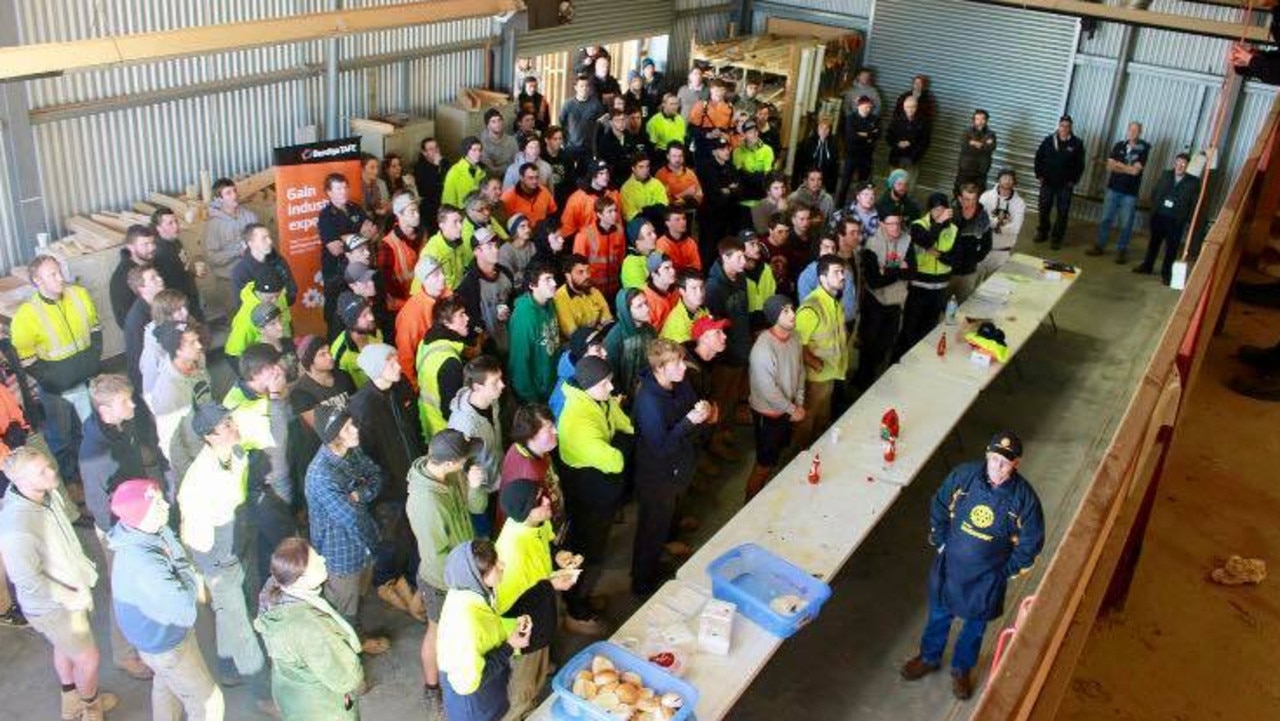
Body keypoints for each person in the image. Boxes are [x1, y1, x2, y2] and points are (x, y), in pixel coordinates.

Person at [900, 432, 1045, 700]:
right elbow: (940, 504)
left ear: (1016, 464)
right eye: (994, 460)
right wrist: (941, 540)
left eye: (1005, 463)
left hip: (986, 579)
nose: (998, 468)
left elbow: (1031, 543)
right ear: (987, 457)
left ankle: (961, 669)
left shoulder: (1024, 499)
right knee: (939, 615)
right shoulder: (964, 477)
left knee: (975, 627)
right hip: (951, 567)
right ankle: (930, 657)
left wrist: (1005, 571)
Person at [0, 446, 117, 721]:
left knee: (64, 647)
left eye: (48, 465)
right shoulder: (17, 526)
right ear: (21, 481)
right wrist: (71, 596)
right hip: (54, 607)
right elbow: (27, 581)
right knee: (88, 658)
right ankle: (90, 706)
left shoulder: (44, 494)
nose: (52, 472)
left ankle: (71, 700)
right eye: (41, 471)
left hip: (68, 594)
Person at [107, 478, 224, 721]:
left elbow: (171, 542)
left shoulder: (143, 530)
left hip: (153, 642)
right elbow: (186, 610)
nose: (167, 507)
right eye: (157, 505)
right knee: (208, 703)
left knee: (166, 685)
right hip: (167, 645)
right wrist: (190, 574)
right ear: (140, 516)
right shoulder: (145, 563)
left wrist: (182, 567)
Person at [78, 374, 167, 681]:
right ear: (105, 408)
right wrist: (123, 534)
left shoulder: (122, 425)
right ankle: (124, 654)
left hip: (138, 516)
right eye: (124, 401)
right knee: (126, 590)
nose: (132, 405)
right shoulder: (95, 453)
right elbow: (98, 504)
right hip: (120, 531)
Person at [177, 403, 268, 691]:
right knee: (239, 621)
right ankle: (261, 690)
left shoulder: (237, 452)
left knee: (231, 612)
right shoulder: (198, 479)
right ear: (210, 436)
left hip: (237, 544)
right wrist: (215, 569)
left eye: (231, 420)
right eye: (226, 425)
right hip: (217, 558)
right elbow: (194, 533)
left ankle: (227, 666)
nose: (233, 426)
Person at [406, 430, 488, 716]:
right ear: (450, 462)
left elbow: (476, 506)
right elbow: (435, 557)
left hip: (461, 566)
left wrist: (475, 486)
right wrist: (464, 583)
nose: (467, 462)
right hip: (442, 579)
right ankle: (432, 689)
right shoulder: (426, 502)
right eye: (464, 458)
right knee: (436, 632)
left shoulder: (449, 475)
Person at [304, 405, 390, 653]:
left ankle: (359, 641)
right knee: (344, 612)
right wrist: (358, 499)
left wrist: (358, 494)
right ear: (333, 436)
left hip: (363, 544)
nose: (355, 429)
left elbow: (375, 476)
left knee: (357, 600)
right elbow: (349, 517)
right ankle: (352, 670)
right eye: (347, 427)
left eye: (352, 423)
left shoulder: (350, 451)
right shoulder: (321, 475)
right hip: (340, 555)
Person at [348, 343, 426, 611]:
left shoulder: (395, 391)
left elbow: (408, 430)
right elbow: (362, 455)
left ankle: (407, 579)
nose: (398, 365)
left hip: (410, 478)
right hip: (387, 488)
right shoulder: (363, 405)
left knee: (410, 534)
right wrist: (380, 484)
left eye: (396, 359)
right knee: (391, 538)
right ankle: (385, 582)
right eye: (390, 362)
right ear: (375, 369)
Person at [11, 255, 102, 487]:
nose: (60, 277)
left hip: (85, 380)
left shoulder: (79, 295)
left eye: (59, 271)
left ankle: (91, 475)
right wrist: (55, 380)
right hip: (56, 390)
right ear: (37, 281)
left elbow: (95, 328)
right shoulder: (27, 315)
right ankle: (69, 480)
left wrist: (92, 363)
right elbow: (27, 358)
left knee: (89, 429)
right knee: (61, 437)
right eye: (52, 274)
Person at [631, 338, 710, 595]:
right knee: (651, 529)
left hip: (677, 467)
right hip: (656, 476)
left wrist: (702, 408)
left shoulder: (679, 382)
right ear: (659, 369)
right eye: (675, 363)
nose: (683, 367)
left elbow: (691, 403)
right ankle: (642, 583)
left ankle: (657, 560)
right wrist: (689, 421)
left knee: (663, 521)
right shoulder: (648, 402)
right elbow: (661, 446)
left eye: (681, 360)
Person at [255, 538, 365, 721]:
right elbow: (344, 678)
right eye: (315, 563)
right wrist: (356, 674)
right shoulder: (308, 626)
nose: (323, 559)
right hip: (322, 707)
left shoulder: (273, 590)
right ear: (301, 579)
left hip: (291, 694)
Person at [558, 356, 632, 625]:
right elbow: (616, 461)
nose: (611, 389)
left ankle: (584, 594)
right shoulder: (577, 420)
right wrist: (622, 442)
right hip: (588, 496)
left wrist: (620, 439)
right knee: (586, 551)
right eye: (605, 384)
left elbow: (625, 425)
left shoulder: (598, 399)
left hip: (602, 491)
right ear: (588, 385)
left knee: (597, 545)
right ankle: (576, 606)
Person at [493, 480, 575, 716]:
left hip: (542, 618)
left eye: (544, 494)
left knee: (539, 673)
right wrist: (550, 586)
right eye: (539, 501)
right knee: (523, 690)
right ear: (524, 512)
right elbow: (507, 607)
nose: (548, 500)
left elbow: (546, 543)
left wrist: (558, 555)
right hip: (525, 634)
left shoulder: (537, 522)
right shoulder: (512, 550)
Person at [223, 344, 298, 585]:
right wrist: (276, 398)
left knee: (272, 547)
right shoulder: (239, 407)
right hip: (267, 489)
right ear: (255, 375)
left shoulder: (262, 393)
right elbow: (276, 440)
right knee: (283, 547)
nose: (279, 371)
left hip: (281, 476)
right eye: (271, 368)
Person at [438, 540, 530, 721]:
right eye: (495, 565)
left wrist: (512, 626)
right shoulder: (465, 622)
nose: (502, 565)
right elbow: (469, 682)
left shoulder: (468, 591)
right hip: (473, 703)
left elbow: (485, 630)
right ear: (478, 576)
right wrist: (510, 646)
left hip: (485, 687)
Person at [746, 296, 805, 501]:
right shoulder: (763, 348)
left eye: (791, 309)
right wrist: (792, 409)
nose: (792, 314)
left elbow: (800, 369)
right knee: (764, 464)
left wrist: (799, 401)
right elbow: (768, 391)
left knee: (776, 455)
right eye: (785, 311)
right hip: (768, 415)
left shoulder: (795, 337)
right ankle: (748, 507)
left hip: (787, 409)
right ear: (773, 316)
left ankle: (764, 497)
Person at [445, 356, 506, 537]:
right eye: (495, 382)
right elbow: (461, 473)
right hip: (480, 493)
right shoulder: (463, 426)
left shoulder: (491, 400)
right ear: (478, 387)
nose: (502, 385)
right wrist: (476, 494)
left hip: (496, 478)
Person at [705, 237, 751, 452]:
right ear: (725, 258)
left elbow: (744, 312)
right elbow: (715, 328)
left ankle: (726, 431)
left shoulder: (741, 278)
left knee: (733, 396)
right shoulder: (713, 287)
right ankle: (715, 442)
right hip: (725, 356)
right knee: (721, 398)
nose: (744, 260)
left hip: (741, 349)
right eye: (739, 257)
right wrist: (726, 353)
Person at [856, 210, 912, 388]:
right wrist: (899, 270)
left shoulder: (907, 240)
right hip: (875, 302)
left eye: (898, 223)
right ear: (881, 224)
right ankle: (862, 381)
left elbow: (912, 272)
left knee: (886, 343)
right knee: (868, 344)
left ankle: (874, 377)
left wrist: (886, 269)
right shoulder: (872, 245)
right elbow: (874, 281)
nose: (896, 227)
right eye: (891, 223)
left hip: (895, 303)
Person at [317, 173, 377, 336]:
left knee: (362, 312)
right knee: (337, 316)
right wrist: (360, 236)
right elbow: (335, 249)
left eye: (345, 187)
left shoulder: (355, 207)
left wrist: (347, 237)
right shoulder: (326, 216)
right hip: (337, 274)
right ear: (329, 192)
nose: (343, 191)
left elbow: (373, 232)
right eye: (338, 188)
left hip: (360, 271)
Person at [148, 321, 212, 465]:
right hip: (194, 458)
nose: (199, 346)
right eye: (192, 343)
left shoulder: (197, 360)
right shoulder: (168, 391)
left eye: (197, 340)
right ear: (177, 350)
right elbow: (170, 443)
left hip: (209, 442)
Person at [1088, 121, 1151, 264]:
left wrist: (1120, 166)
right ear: (1127, 131)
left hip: (1130, 193)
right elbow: (1110, 167)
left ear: (1140, 132)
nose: (1133, 132)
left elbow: (1135, 172)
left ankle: (1122, 250)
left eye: (1136, 130)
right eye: (1131, 130)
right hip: (1113, 189)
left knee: (1127, 223)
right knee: (1106, 219)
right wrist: (1125, 167)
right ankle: (1099, 246)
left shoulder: (1144, 148)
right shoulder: (1119, 145)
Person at [1134, 153, 1201, 284]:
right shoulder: (1166, 175)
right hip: (1160, 216)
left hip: (1176, 220)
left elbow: (1194, 203)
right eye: (1178, 162)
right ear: (1174, 163)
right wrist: (1153, 209)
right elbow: (1155, 192)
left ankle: (1166, 273)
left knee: (1171, 248)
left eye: (1183, 164)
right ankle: (1147, 266)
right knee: (1153, 244)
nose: (1180, 166)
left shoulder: (1194, 182)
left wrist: (1188, 219)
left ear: (1187, 166)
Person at [508, 260, 562, 404]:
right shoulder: (523, 317)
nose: (554, 283)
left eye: (553, 278)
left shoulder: (550, 303)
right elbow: (519, 363)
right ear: (532, 285)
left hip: (553, 386)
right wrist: (531, 400)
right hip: (537, 396)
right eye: (547, 280)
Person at [204, 178, 260, 315]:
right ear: (219, 199)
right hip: (228, 282)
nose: (234, 195)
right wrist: (236, 252)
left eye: (234, 191)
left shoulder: (250, 217)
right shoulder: (213, 225)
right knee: (237, 321)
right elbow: (212, 258)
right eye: (228, 193)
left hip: (253, 277)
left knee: (259, 318)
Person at [396, 255, 452, 390]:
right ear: (424, 280)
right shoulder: (410, 315)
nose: (443, 277)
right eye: (436, 275)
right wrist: (415, 387)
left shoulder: (449, 296)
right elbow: (405, 357)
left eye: (442, 272)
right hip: (429, 373)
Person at [456, 229, 515, 355]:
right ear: (477, 251)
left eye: (496, 245)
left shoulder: (506, 273)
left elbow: (513, 300)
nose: (496, 250)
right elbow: (469, 321)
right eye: (489, 246)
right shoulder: (469, 286)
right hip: (489, 349)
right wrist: (482, 332)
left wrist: (509, 309)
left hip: (511, 339)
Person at [1033, 115, 1085, 249]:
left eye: (1067, 126)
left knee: (1063, 212)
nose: (1064, 128)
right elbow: (1038, 157)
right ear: (1059, 126)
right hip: (1048, 182)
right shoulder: (1049, 140)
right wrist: (1039, 175)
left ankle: (1057, 238)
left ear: (1071, 128)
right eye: (1062, 126)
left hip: (1065, 184)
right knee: (1044, 208)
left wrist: (1073, 180)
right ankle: (1043, 232)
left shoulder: (1077, 143)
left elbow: (1080, 165)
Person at [230, 224, 298, 319]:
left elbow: (292, 289)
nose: (270, 241)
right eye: (264, 238)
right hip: (257, 324)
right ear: (250, 243)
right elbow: (241, 305)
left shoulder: (279, 261)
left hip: (282, 317)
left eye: (269, 237)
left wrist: (281, 302)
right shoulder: (241, 270)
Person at [225, 264, 291, 362]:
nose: (274, 302)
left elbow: (286, 320)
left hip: (281, 346)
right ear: (258, 292)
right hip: (262, 358)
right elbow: (234, 352)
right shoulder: (246, 319)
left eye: (277, 296)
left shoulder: (277, 297)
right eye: (270, 298)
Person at [149, 209, 205, 320]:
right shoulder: (160, 252)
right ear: (159, 228)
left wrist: (194, 271)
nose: (176, 226)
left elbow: (184, 266)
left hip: (190, 297)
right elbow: (169, 283)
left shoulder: (175, 241)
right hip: (179, 305)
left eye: (176, 221)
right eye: (170, 223)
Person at [604, 288, 656, 402]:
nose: (647, 309)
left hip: (648, 390)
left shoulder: (650, 330)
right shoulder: (615, 338)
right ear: (626, 311)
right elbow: (610, 374)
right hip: (625, 398)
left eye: (646, 303)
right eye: (639, 306)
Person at [573, 195, 627, 301]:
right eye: (609, 211)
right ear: (599, 214)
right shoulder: (584, 235)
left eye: (615, 210)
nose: (614, 214)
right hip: (593, 289)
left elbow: (621, 256)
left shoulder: (619, 230)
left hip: (613, 287)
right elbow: (577, 266)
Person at [977, 170, 1026, 286]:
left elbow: (1015, 228)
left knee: (994, 287)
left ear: (1014, 182)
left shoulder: (1019, 203)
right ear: (999, 179)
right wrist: (999, 222)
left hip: (1002, 253)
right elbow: (979, 221)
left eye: (1010, 179)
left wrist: (992, 225)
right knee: (972, 286)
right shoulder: (986, 196)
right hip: (981, 249)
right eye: (1004, 178)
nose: (1007, 181)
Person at [697, 135, 742, 261]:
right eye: (722, 149)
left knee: (726, 247)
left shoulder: (730, 166)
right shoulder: (707, 168)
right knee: (709, 248)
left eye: (727, 148)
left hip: (728, 215)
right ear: (714, 151)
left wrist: (728, 190)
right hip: (711, 216)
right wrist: (729, 189)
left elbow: (738, 190)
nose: (727, 151)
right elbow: (714, 193)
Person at [122, 266, 166, 392]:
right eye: (153, 278)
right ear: (142, 288)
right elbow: (140, 359)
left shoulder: (161, 304)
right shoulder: (137, 320)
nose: (160, 279)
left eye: (158, 275)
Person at [948, 184, 993, 303]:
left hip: (969, 272)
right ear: (960, 199)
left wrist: (974, 259)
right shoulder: (949, 214)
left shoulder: (982, 217)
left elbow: (987, 244)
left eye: (974, 199)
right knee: (939, 307)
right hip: (947, 271)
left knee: (964, 307)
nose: (971, 203)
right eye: (967, 199)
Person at [380, 192, 423, 315]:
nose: (417, 215)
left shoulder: (422, 234)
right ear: (399, 215)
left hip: (423, 299)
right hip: (402, 307)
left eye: (417, 210)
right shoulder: (388, 245)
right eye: (412, 212)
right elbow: (387, 285)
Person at [109, 224, 158, 329]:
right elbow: (124, 320)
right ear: (130, 247)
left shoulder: (148, 262)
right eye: (145, 244)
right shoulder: (123, 277)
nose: (152, 247)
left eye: (152, 242)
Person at [554, 253, 613, 339]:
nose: (587, 275)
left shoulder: (594, 291)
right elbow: (574, 336)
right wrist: (599, 330)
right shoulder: (560, 298)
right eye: (580, 272)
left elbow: (608, 323)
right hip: (574, 347)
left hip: (599, 340)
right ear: (568, 276)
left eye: (588, 271)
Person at [330, 296, 383, 388]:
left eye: (370, 312)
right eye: (364, 315)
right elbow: (341, 387)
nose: (371, 318)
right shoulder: (340, 352)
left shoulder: (376, 332)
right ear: (351, 322)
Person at [838, 96, 880, 205]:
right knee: (845, 182)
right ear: (859, 106)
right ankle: (840, 204)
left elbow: (877, 135)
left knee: (863, 184)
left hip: (866, 156)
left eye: (870, 107)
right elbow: (851, 137)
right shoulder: (850, 118)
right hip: (851, 155)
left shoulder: (874, 119)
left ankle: (859, 204)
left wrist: (862, 134)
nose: (868, 109)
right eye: (866, 107)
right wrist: (868, 135)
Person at [559, 75, 606, 162]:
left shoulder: (596, 104)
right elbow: (561, 124)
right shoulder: (568, 104)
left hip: (588, 148)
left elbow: (601, 126)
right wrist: (563, 144)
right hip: (570, 147)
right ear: (576, 87)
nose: (584, 88)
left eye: (587, 86)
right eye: (581, 86)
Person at [660, 269, 708, 343]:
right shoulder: (678, 325)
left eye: (701, 287)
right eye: (694, 288)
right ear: (682, 291)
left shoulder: (702, 309)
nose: (700, 293)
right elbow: (688, 352)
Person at [887, 95, 930, 177]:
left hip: (912, 158)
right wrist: (897, 143)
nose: (910, 109)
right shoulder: (896, 120)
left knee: (910, 184)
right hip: (896, 156)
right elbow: (889, 136)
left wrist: (911, 145)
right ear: (904, 107)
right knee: (894, 182)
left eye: (913, 107)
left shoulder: (923, 123)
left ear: (917, 107)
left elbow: (925, 141)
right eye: (908, 107)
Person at [794, 116, 839, 195]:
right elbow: (798, 164)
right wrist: (794, 183)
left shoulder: (833, 145)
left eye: (827, 128)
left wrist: (832, 187)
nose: (824, 131)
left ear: (830, 130)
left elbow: (834, 167)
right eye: (821, 128)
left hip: (825, 180)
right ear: (817, 129)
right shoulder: (807, 143)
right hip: (808, 179)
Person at [620, 153, 669, 225]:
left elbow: (663, 206)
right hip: (638, 227)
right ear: (633, 168)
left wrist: (643, 211)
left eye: (647, 166)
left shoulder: (657, 184)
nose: (645, 170)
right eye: (641, 167)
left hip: (658, 223)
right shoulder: (626, 188)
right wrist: (652, 210)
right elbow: (629, 216)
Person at [955, 110, 997, 191]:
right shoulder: (967, 132)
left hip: (982, 169)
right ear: (973, 120)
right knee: (960, 190)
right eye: (977, 119)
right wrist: (984, 144)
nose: (980, 121)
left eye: (982, 119)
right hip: (966, 168)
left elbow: (991, 148)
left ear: (986, 120)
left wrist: (973, 143)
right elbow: (964, 146)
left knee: (980, 192)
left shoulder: (991, 134)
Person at [656, 141, 703, 214]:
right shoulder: (660, 175)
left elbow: (699, 196)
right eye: (674, 156)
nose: (677, 159)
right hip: (668, 215)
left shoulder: (690, 173)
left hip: (688, 212)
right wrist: (684, 194)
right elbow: (661, 201)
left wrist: (685, 201)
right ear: (668, 156)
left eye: (680, 156)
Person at [732, 120, 775, 199]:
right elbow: (738, 174)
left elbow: (767, 174)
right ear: (744, 135)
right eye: (750, 132)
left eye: (755, 131)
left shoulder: (767, 150)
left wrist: (747, 174)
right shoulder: (737, 151)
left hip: (761, 191)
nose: (754, 135)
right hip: (744, 192)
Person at [443, 137, 487, 209]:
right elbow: (448, 200)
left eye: (480, 150)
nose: (478, 153)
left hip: (480, 211)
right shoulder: (454, 172)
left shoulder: (483, 170)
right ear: (466, 151)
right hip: (462, 214)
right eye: (474, 150)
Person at [656, 206, 701, 275]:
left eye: (684, 218)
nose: (683, 222)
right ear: (667, 223)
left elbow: (697, 266)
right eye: (677, 220)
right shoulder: (661, 244)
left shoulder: (691, 242)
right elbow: (664, 271)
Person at [415, 137, 446, 232]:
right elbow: (426, 191)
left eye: (436, 147)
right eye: (431, 149)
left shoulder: (445, 162)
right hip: (430, 205)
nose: (435, 151)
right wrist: (435, 167)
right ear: (424, 153)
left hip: (445, 200)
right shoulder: (420, 168)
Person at [622, 218, 660, 290]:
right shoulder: (631, 264)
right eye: (649, 234)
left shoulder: (657, 253)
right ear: (637, 242)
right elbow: (642, 294)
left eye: (654, 232)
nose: (655, 236)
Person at [646, 94, 687, 158]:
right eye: (672, 104)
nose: (675, 107)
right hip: (663, 155)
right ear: (664, 104)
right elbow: (651, 145)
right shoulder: (654, 121)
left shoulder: (680, 118)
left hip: (680, 153)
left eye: (676, 104)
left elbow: (683, 138)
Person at [480, 109, 517, 175]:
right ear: (488, 126)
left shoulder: (512, 141)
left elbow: (516, 162)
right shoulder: (482, 143)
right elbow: (490, 168)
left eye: (499, 120)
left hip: (509, 174)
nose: (497, 124)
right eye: (493, 121)